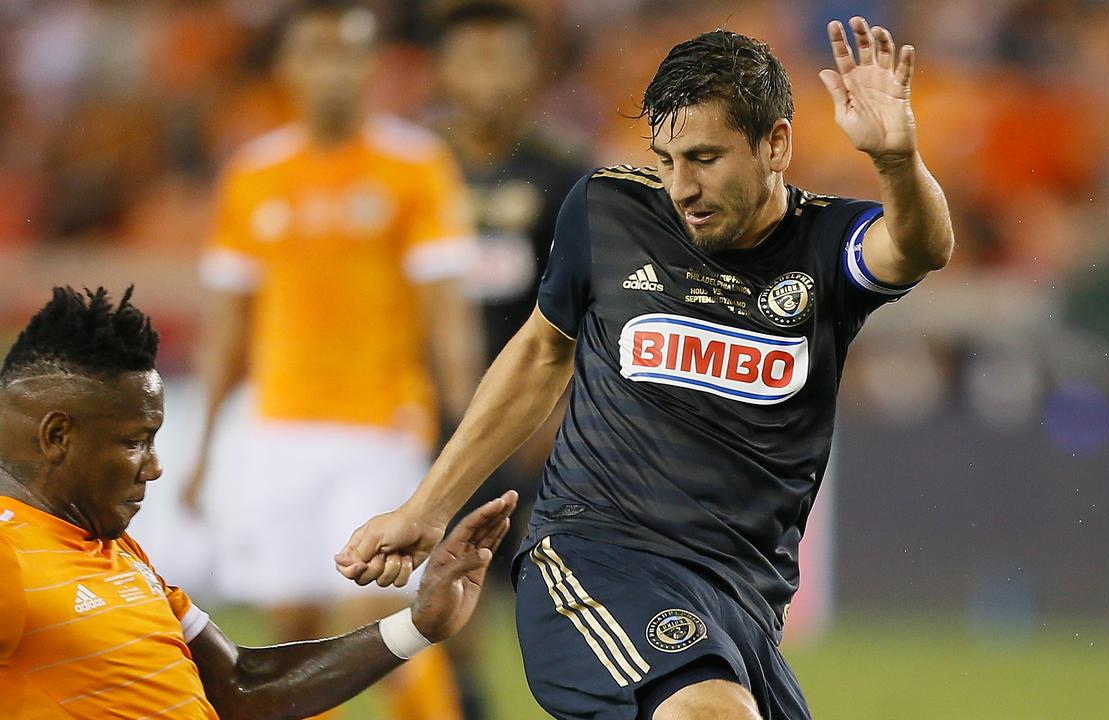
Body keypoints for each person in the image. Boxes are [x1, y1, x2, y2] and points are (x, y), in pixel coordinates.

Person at [337, 16, 954, 720]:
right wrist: (426, 510)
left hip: (743, 599)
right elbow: (542, 351)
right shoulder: (608, 209)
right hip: (596, 558)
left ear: (775, 143)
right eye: (666, 160)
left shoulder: (824, 243)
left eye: (705, 158)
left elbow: (917, 247)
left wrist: (899, 161)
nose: (681, 187)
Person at [0, 286, 516, 720]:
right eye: (136, 441)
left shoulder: (116, 551)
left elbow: (243, 684)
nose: (154, 466)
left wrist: (418, 625)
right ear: (58, 436)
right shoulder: (12, 559)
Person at [182, 1, 482, 717]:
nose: (334, 70)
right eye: (317, 52)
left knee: (375, 613)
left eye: (348, 53)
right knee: (287, 627)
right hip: (279, 428)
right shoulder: (252, 176)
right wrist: (202, 448)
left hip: (380, 425)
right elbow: (229, 325)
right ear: (287, 67)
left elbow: (447, 311)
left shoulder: (415, 168)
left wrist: (468, 428)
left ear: (372, 67)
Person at [428, 4, 591, 717]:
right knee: (444, 569)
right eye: (474, 58)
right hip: (431, 405)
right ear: (445, 67)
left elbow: (592, 304)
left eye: (505, 59)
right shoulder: (416, 166)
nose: (490, 77)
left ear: (533, 71)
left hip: (532, 409)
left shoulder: (564, 171)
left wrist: (561, 410)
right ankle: (467, 702)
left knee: (556, 579)